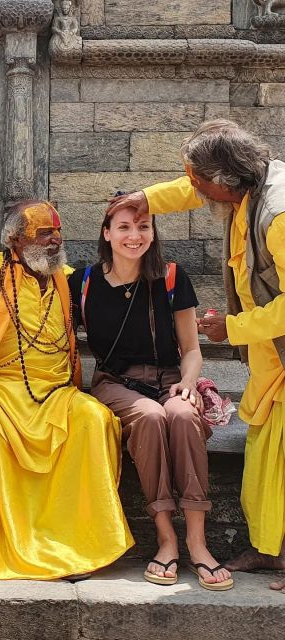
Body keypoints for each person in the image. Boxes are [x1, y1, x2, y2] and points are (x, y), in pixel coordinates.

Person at [106, 119, 285, 592]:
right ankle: (273, 552)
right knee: (268, 459)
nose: (195, 190)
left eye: (199, 180)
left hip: (274, 346)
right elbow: (187, 192)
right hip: (272, 359)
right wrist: (144, 199)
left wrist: (233, 328)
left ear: (224, 180)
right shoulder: (249, 190)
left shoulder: (278, 215)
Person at [0, 200, 134, 581]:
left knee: (95, 419)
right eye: (44, 233)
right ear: (14, 239)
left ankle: (73, 547)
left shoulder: (69, 279)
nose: (55, 240)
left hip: (54, 393)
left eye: (58, 232)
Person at [68, 206, 233, 590]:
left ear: (153, 233)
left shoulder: (172, 277)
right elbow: (59, 339)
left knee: (181, 415)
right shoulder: (83, 283)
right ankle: (165, 538)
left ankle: (197, 540)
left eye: (143, 226)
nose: (134, 235)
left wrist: (189, 385)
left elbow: (192, 349)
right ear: (106, 233)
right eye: (123, 227)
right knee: (150, 416)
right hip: (116, 383)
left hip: (171, 378)